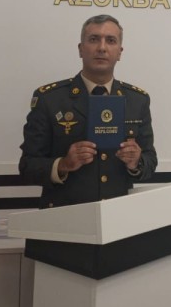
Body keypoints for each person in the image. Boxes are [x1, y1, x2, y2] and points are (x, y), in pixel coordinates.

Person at [19, 14, 157, 209]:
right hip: (64, 216)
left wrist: (136, 162)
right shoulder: (49, 99)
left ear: (119, 52)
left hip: (117, 216)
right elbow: (27, 166)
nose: (102, 47)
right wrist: (63, 164)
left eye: (111, 40)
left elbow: (150, 161)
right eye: (93, 39)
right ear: (81, 49)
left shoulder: (137, 100)